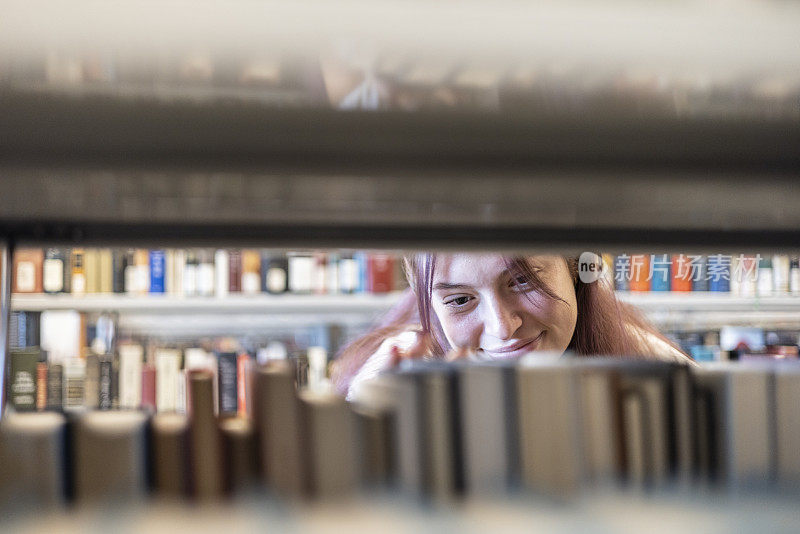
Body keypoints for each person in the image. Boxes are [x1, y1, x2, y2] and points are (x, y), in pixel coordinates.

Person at [332, 253, 693, 400]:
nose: (502, 328)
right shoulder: (391, 377)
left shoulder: (651, 369)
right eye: (460, 300)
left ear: (576, 271)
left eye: (522, 282)